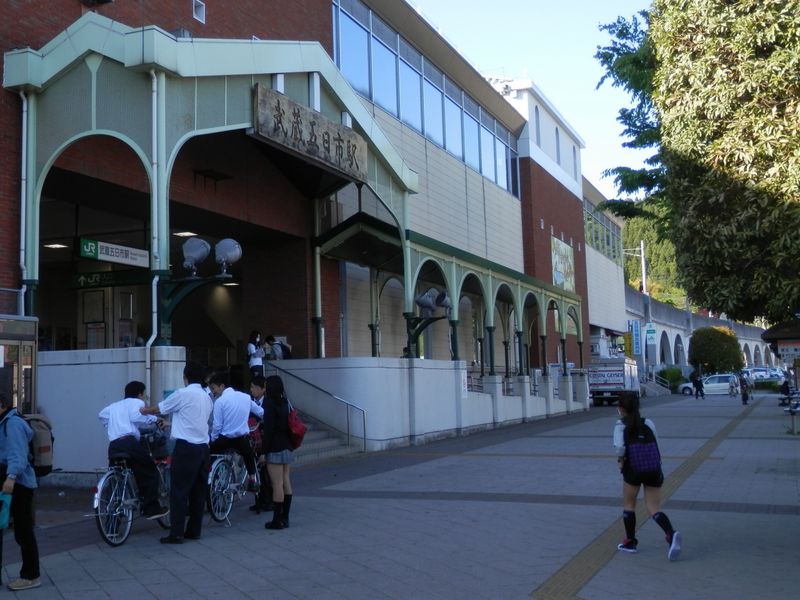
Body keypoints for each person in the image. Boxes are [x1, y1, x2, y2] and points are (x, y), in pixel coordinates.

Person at [142, 361, 213, 544]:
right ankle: (194, 531)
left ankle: (176, 533)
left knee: (179, 491)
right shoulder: (206, 397)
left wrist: (144, 410)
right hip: (203, 449)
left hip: (186, 449)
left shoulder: (183, 393)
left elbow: (160, 408)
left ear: (185, 377)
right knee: (198, 492)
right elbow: (194, 421)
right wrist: (172, 424)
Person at [613, 394, 682, 561]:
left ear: (621, 409)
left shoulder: (620, 426)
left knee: (629, 505)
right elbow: (657, 444)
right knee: (653, 507)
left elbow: (620, 448)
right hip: (652, 468)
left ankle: (630, 542)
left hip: (633, 470)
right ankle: (670, 534)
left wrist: (620, 463)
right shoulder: (648, 423)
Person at [98, 381, 168, 520]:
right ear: (140, 394)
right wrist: (155, 419)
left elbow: (101, 415)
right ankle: (151, 509)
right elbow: (138, 417)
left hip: (114, 445)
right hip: (129, 443)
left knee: (116, 478)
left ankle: (112, 521)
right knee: (149, 470)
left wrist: (112, 424)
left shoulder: (114, 406)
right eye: (144, 395)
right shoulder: (137, 403)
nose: (144, 398)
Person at [0, 393, 40, 590]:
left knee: (23, 531)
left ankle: (31, 576)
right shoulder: (4, 423)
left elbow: (18, 455)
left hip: (18, 484)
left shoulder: (13, 424)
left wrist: (11, 477)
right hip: (7, 481)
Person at [207, 371, 263, 492]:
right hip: (241, 440)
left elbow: (217, 426)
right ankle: (252, 480)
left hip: (224, 440)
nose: (213, 392)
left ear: (222, 386)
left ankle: (211, 477)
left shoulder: (220, 402)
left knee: (209, 452)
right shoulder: (246, 397)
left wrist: (213, 439)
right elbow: (260, 412)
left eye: (213, 388)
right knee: (248, 454)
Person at [260, 375, 294, 530]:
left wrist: (263, 452)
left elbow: (268, 431)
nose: (264, 388)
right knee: (286, 481)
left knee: (277, 484)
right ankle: (285, 518)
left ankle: (276, 520)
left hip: (275, 448)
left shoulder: (269, 404)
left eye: (266, 385)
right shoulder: (285, 402)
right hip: (287, 445)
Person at [249, 376, 273, 513]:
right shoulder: (250, 402)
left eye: (254, 387)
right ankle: (258, 500)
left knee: (266, 472)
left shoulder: (268, 403)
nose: (252, 390)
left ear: (263, 389)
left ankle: (268, 500)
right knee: (256, 472)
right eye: (251, 387)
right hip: (254, 440)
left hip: (265, 440)